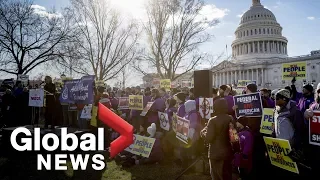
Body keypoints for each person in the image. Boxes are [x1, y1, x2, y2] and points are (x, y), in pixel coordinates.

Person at [200, 98, 233, 180]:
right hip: (228, 151)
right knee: (227, 175)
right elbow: (233, 136)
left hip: (215, 152)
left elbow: (209, 138)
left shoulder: (213, 120)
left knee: (216, 176)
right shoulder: (230, 118)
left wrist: (203, 133)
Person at [180, 100, 201, 168]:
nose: (185, 107)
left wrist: (189, 137)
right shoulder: (189, 113)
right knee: (185, 151)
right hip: (186, 134)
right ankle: (186, 165)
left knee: (189, 151)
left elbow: (193, 125)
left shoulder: (193, 114)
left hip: (192, 135)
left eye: (186, 106)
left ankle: (189, 167)